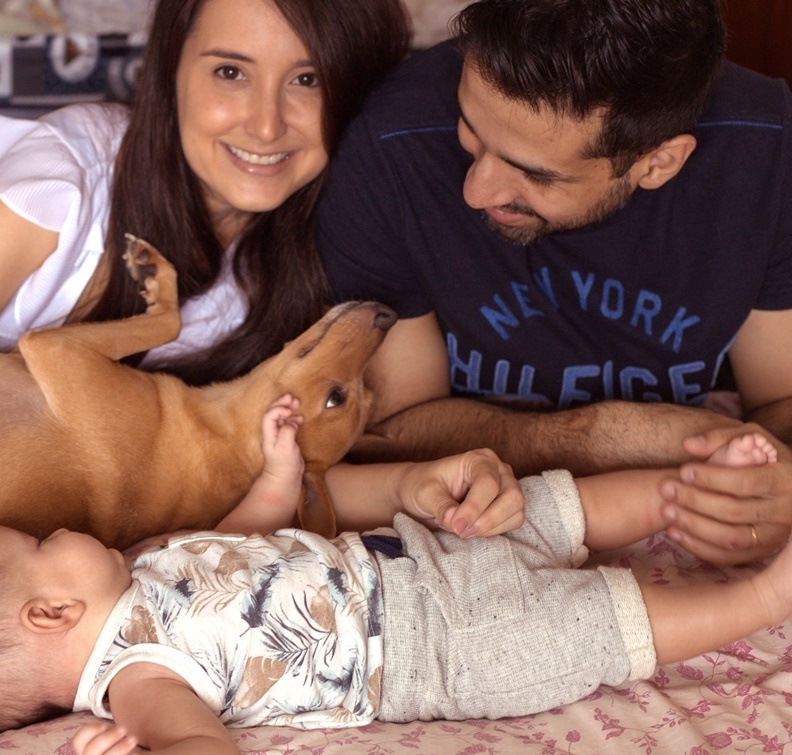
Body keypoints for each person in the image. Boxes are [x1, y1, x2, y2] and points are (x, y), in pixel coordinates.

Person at [0, 0, 409, 709]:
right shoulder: (62, 185)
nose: (265, 124)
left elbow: (331, 452)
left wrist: (425, 481)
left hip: (79, 613)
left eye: (308, 79)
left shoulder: (336, 241)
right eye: (231, 70)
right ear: (171, 68)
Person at [0, 418, 788, 755]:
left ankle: (700, 487)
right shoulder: (140, 679)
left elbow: (238, 540)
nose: (56, 525)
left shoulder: (140, 566)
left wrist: (278, 480)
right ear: (50, 614)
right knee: (611, 620)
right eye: (35, 540)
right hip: (439, 648)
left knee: (565, 504)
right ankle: (760, 595)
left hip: (417, 550)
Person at [316, 0, 792, 566]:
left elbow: (783, 401)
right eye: (470, 130)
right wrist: (612, 435)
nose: (476, 190)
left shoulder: (765, 147)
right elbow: (394, 429)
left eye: (535, 173)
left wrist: (765, 490)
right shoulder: (388, 141)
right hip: (464, 533)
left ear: (659, 162)